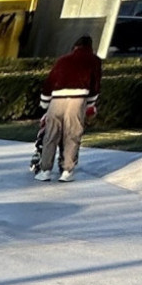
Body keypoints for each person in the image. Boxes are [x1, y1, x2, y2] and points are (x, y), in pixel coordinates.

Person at [35, 35, 102, 182]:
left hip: (57, 99)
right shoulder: (94, 60)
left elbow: (50, 81)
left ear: (75, 47)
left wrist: (45, 104)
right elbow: (95, 85)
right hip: (78, 100)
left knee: (51, 135)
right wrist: (90, 104)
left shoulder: (63, 60)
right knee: (72, 135)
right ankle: (67, 170)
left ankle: (45, 170)